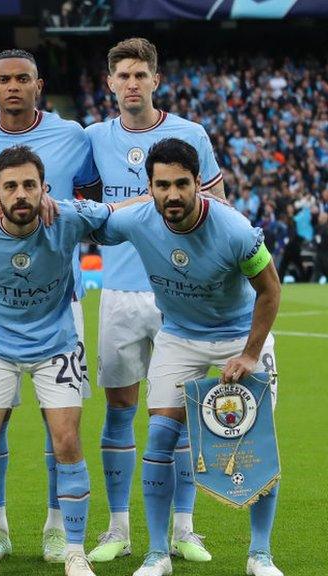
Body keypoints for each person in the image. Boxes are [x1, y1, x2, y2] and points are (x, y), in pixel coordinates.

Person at [91, 138, 282, 576]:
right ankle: (158, 553)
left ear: (199, 184)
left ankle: (260, 556)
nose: (172, 195)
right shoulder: (138, 219)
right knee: (160, 435)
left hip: (239, 337)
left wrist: (251, 355)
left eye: (181, 184)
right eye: (162, 185)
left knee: (256, 441)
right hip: (179, 336)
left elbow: (270, 290)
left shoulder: (234, 228)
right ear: (150, 187)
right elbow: (92, 223)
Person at [84, 37, 224, 564]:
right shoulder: (93, 137)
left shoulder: (190, 134)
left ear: (156, 80)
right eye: (123, 75)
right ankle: (118, 528)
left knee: (178, 414)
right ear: (110, 82)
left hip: (179, 293)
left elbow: (217, 202)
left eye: (141, 74)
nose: (132, 84)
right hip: (118, 292)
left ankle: (184, 528)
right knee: (120, 409)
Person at [0, 48, 100, 563]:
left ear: (39, 85)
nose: (14, 86)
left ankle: (59, 530)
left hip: (60, 306)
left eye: (23, 78)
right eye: (4, 79)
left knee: (62, 430)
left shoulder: (73, 136)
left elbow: (99, 199)